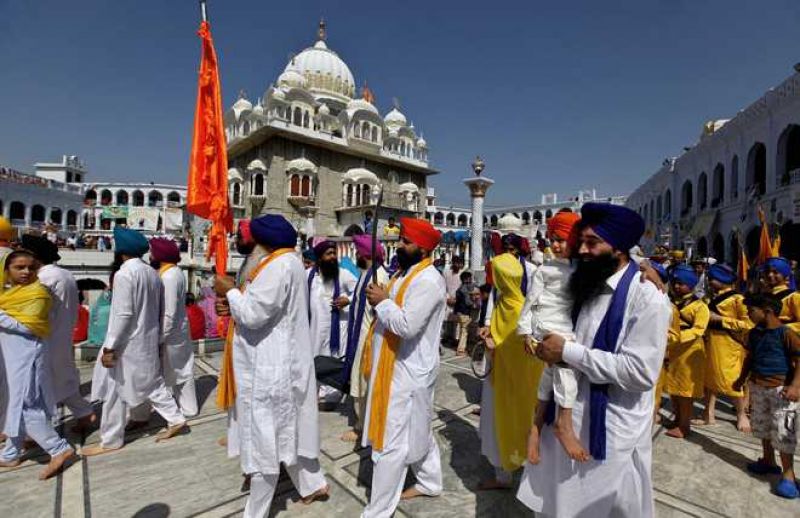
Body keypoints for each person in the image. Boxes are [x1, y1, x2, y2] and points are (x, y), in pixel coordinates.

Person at [518, 202, 672, 517]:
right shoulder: (585, 280)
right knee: (556, 502)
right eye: (581, 241)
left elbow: (640, 373)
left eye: (592, 243)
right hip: (569, 416)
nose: (583, 250)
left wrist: (566, 352)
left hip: (609, 431)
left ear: (618, 248)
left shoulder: (647, 298)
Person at [213, 214, 329, 517]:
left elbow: (253, 314)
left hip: (269, 369)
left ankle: (257, 512)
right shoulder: (286, 262)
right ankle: (312, 484)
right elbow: (258, 306)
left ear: (262, 242)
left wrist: (230, 291)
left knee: (265, 446)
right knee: (284, 435)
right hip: (274, 364)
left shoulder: (278, 267)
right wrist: (234, 300)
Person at [361, 217, 446, 517]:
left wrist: (382, 301)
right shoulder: (404, 273)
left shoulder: (429, 281)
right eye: (401, 240)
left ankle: (378, 511)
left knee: (390, 442)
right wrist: (383, 298)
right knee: (417, 428)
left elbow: (407, 325)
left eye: (406, 242)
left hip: (409, 372)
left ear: (422, 249)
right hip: (397, 367)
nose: (399, 245)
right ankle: (430, 481)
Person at [82, 228, 187, 456]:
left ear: (120, 251)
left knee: (115, 389)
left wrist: (110, 346)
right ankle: (176, 418)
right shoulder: (152, 273)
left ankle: (110, 440)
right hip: (147, 339)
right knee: (151, 383)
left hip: (127, 342)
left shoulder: (124, 274)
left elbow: (123, 314)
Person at [516, 210, 587, 463]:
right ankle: (563, 424)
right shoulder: (544, 271)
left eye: (562, 240)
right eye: (553, 239)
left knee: (548, 377)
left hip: (563, 325)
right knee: (566, 367)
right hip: (549, 326)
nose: (556, 245)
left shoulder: (580, 269)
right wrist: (525, 332)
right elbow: (530, 302)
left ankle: (535, 428)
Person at [0, 250, 77, 479]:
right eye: (19, 267)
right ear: (7, 270)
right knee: (17, 403)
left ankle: (58, 448)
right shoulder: (11, 294)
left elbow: (29, 327)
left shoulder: (38, 294)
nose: (26, 272)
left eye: (31, 268)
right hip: (14, 357)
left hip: (28, 356)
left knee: (26, 407)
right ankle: (10, 453)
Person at [478, 232, 541, 489]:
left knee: (516, 415)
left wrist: (497, 341)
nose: (509, 252)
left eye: (513, 248)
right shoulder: (504, 286)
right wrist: (488, 326)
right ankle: (504, 469)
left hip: (517, 371)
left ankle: (517, 465)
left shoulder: (534, 274)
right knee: (498, 416)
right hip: (501, 369)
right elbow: (496, 300)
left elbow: (528, 323)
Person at [22, 234, 96, 432]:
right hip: (62, 334)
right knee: (64, 380)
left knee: (41, 386)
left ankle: (36, 432)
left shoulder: (44, 278)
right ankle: (84, 414)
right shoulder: (65, 274)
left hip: (47, 337)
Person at [733, 293, 800, 499]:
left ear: (767, 311)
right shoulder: (754, 334)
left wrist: (795, 386)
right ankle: (768, 461)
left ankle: (789, 476)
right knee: (762, 426)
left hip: (782, 391)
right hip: (758, 387)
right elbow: (750, 358)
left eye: (751, 311)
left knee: (783, 432)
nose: (748, 314)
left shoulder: (785, 333)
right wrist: (742, 378)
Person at [340, 234, 389, 443]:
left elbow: (382, 310)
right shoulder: (367, 274)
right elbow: (361, 300)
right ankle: (362, 423)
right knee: (359, 381)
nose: (356, 255)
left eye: (358, 251)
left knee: (365, 383)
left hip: (369, 337)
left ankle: (364, 428)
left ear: (366, 253)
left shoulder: (379, 276)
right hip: (359, 335)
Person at [146, 238, 197, 418]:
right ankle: (188, 407)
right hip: (177, 330)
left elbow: (169, 311)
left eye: (152, 252)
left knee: (178, 371)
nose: (150, 256)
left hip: (171, 332)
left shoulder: (169, 276)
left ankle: (186, 409)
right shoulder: (174, 272)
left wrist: (161, 336)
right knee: (181, 370)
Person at [699, 264, 753, 430]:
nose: (709, 281)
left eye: (712, 278)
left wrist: (721, 320)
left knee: (731, 380)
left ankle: (741, 415)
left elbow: (748, 324)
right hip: (710, 342)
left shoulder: (738, 299)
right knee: (709, 379)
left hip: (729, 345)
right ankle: (708, 414)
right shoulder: (709, 299)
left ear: (723, 280)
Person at [307, 240, 357, 405]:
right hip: (313, 328)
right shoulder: (308, 275)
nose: (333, 257)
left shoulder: (342, 274)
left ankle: (331, 397)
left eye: (334, 253)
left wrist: (347, 300)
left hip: (336, 327)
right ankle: (312, 394)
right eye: (329, 254)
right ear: (320, 258)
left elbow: (360, 290)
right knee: (313, 358)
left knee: (333, 358)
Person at [664, 264, 709, 439]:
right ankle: (677, 419)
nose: (676, 286)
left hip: (690, 352)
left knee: (686, 392)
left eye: (681, 283)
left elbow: (699, 330)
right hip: (672, 351)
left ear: (691, 285)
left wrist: (675, 337)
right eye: (675, 282)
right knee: (674, 389)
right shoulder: (669, 302)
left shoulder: (700, 306)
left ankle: (685, 425)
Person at [761, 257, 800, 334]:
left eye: (775, 272)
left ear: (785, 275)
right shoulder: (761, 296)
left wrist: (780, 329)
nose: (770, 275)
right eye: (767, 271)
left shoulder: (794, 297)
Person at [442, 256, 465, 346]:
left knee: (457, 322)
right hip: (447, 299)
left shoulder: (463, 273)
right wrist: (447, 298)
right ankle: (446, 338)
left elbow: (464, 288)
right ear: (453, 262)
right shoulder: (446, 272)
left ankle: (456, 339)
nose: (457, 265)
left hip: (458, 300)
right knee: (446, 320)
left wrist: (457, 299)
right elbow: (443, 286)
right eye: (456, 263)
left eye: (459, 263)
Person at [452, 270, 475, 356]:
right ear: (466, 279)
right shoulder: (464, 289)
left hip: (459, 312)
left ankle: (460, 347)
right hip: (464, 312)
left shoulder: (459, 288)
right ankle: (461, 350)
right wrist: (474, 303)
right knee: (464, 331)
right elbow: (468, 302)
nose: (471, 280)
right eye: (470, 278)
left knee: (462, 330)